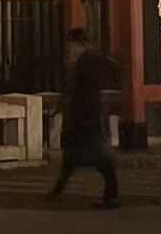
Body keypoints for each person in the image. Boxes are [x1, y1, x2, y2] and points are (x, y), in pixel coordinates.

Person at [47, 25, 122, 206]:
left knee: (98, 159)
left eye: (71, 44)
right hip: (82, 118)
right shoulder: (82, 62)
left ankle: (110, 196)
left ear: (78, 44)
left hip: (86, 118)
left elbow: (84, 92)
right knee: (74, 158)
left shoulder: (87, 63)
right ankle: (58, 190)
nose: (69, 49)